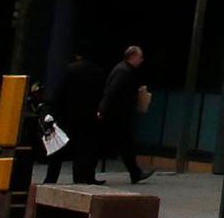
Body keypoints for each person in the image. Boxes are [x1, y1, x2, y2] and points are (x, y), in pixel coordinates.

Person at [96, 43, 150, 184]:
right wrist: (103, 109)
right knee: (123, 144)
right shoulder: (124, 72)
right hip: (118, 115)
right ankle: (135, 172)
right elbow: (112, 92)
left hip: (118, 114)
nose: (141, 60)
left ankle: (135, 172)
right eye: (140, 57)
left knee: (125, 145)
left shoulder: (123, 70)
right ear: (132, 56)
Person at [41, 54, 99, 184]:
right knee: (82, 150)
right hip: (86, 116)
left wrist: (52, 111)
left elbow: (59, 92)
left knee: (58, 149)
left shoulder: (71, 70)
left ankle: (51, 179)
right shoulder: (96, 71)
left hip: (67, 115)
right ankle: (79, 179)